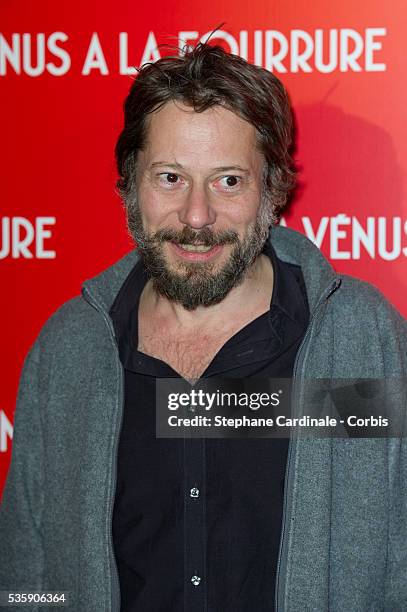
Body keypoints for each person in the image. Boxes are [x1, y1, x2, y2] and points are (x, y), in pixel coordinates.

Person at [0, 42, 406, 612]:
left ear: (272, 190)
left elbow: (398, 561)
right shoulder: (68, 351)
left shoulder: (364, 343)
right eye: (170, 177)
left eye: (229, 181)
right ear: (128, 185)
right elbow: (28, 575)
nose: (197, 216)